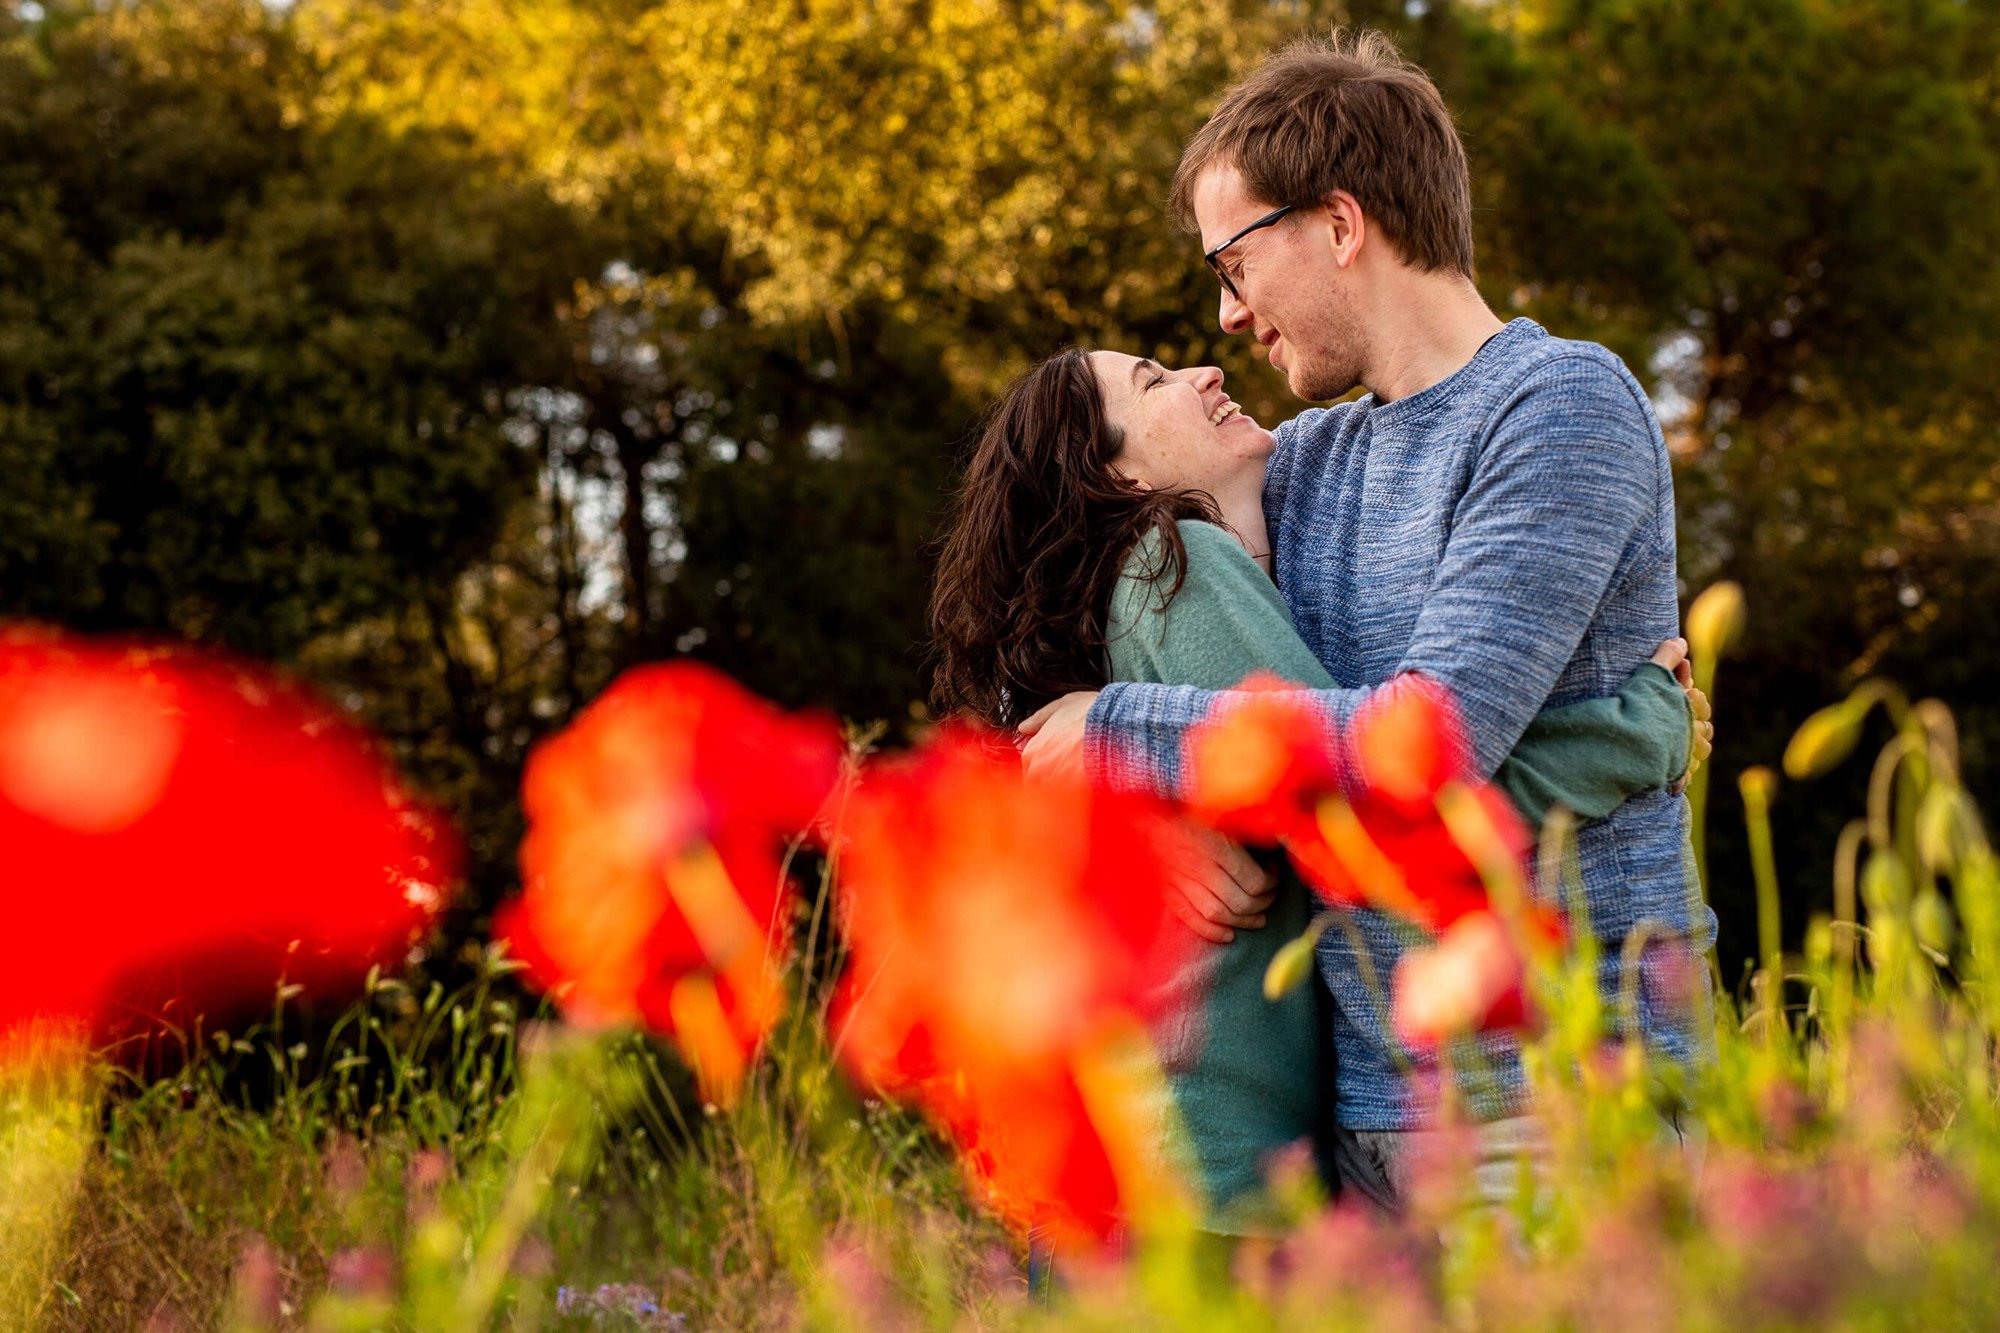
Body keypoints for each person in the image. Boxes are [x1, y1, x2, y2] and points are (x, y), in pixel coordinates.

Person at [1013, 30, 1721, 1206]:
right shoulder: (1296, 460)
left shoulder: (1558, 409)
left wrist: (1125, 730)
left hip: (1565, 1103)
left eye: (1231, 266)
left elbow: (1423, 749)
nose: (1227, 319)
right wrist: (1137, 804)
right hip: (1363, 1123)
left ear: (1338, 226)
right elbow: (1042, 618)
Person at [930, 346, 1707, 1226]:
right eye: (1154, 382)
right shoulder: (1175, 565)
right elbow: (1371, 799)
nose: (1206, 372)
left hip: (1154, 1176)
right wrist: (1632, 731)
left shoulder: (1172, 577)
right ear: (1118, 473)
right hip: (1207, 1180)